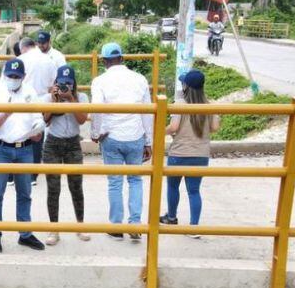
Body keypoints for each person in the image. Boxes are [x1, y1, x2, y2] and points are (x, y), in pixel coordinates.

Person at [90, 42, 153, 240]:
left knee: (115, 182)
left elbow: (96, 109)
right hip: (135, 136)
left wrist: (95, 133)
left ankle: (116, 225)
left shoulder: (100, 81)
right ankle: (135, 224)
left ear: (104, 61)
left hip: (111, 137)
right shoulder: (140, 79)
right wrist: (148, 141)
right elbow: (148, 113)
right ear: (122, 58)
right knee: (135, 180)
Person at [0, 58, 46, 253]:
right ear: (4, 75)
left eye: (17, 76)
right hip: (0, 148)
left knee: (25, 192)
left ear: (23, 77)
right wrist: (6, 113)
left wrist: (37, 131)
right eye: (10, 76)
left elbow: (37, 117)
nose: (13, 79)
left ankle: (25, 233)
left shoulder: (30, 92)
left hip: (25, 147)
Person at [160, 69, 220, 239]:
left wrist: (158, 132)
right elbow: (215, 127)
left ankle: (172, 217)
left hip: (179, 153)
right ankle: (194, 226)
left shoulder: (180, 104)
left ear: (186, 86)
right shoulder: (210, 105)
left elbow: (173, 127)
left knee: (173, 186)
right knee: (194, 191)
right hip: (201, 154)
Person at [40, 65, 90, 246]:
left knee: (76, 186)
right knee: (53, 188)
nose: (65, 87)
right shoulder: (48, 97)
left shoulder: (81, 97)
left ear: (74, 83)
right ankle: (54, 229)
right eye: (62, 83)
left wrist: (71, 99)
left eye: (68, 84)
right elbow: (45, 120)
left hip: (73, 143)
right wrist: (55, 101)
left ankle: (80, 225)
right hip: (53, 143)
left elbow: (82, 120)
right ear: (56, 83)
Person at [16, 37, 51, 185]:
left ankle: (15, 173)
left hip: (23, 102)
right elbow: (52, 84)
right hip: (42, 101)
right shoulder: (48, 60)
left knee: (20, 136)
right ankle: (33, 176)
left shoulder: (20, 60)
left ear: (23, 48)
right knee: (37, 137)